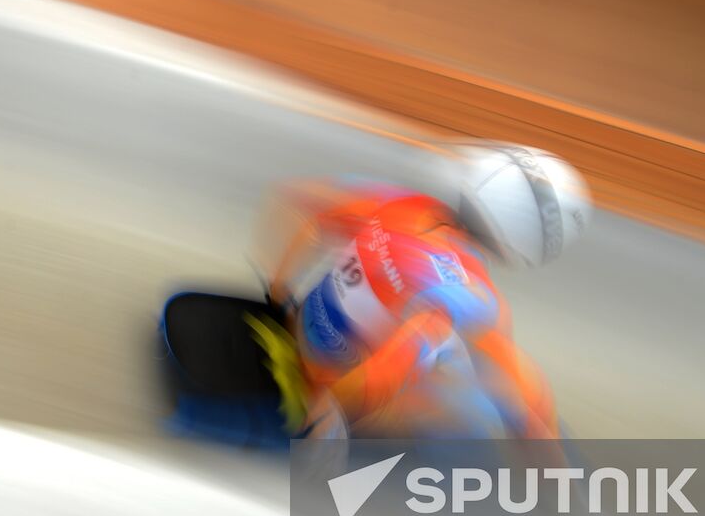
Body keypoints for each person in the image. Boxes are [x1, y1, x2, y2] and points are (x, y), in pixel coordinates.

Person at [252, 143, 591, 441]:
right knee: (484, 397)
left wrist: (278, 292)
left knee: (447, 341)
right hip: (324, 385)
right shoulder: (471, 296)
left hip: (298, 326)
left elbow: (302, 207)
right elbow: (386, 373)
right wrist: (328, 415)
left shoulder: (401, 204)